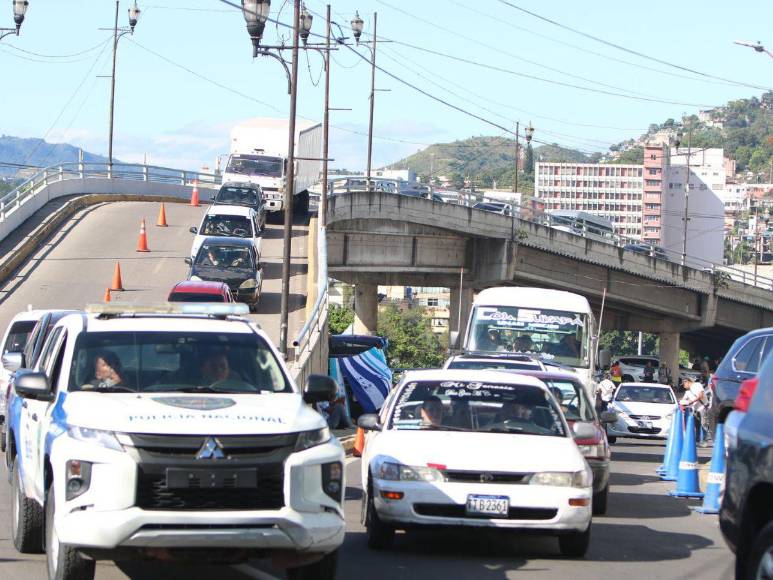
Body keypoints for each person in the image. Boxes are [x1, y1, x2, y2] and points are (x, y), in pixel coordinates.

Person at [679, 377, 712, 445]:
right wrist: (681, 404)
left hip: (702, 407)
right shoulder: (687, 392)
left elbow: (701, 396)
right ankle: (697, 440)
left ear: (687, 381)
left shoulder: (697, 385)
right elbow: (683, 400)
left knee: (704, 424)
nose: (684, 386)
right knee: (697, 425)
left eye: (684, 384)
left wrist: (691, 401)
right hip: (695, 409)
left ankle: (705, 441)